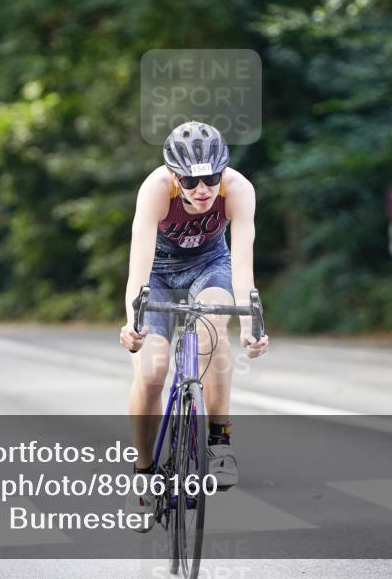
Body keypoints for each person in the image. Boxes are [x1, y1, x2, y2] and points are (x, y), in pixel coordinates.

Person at [119, 121, 269, 529]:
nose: (203, 189)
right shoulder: (154, 190)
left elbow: (242, 264)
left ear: (223, 171)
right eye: (190, 180)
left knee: (214, 325)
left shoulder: (238, 189)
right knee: (151, 373)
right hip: (161, 274)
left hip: (210, 267)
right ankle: (145, 468)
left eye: (211, 178)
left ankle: (219, 443)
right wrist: (133, 318)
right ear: (173, 175)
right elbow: (139, 265)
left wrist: (251, 324)